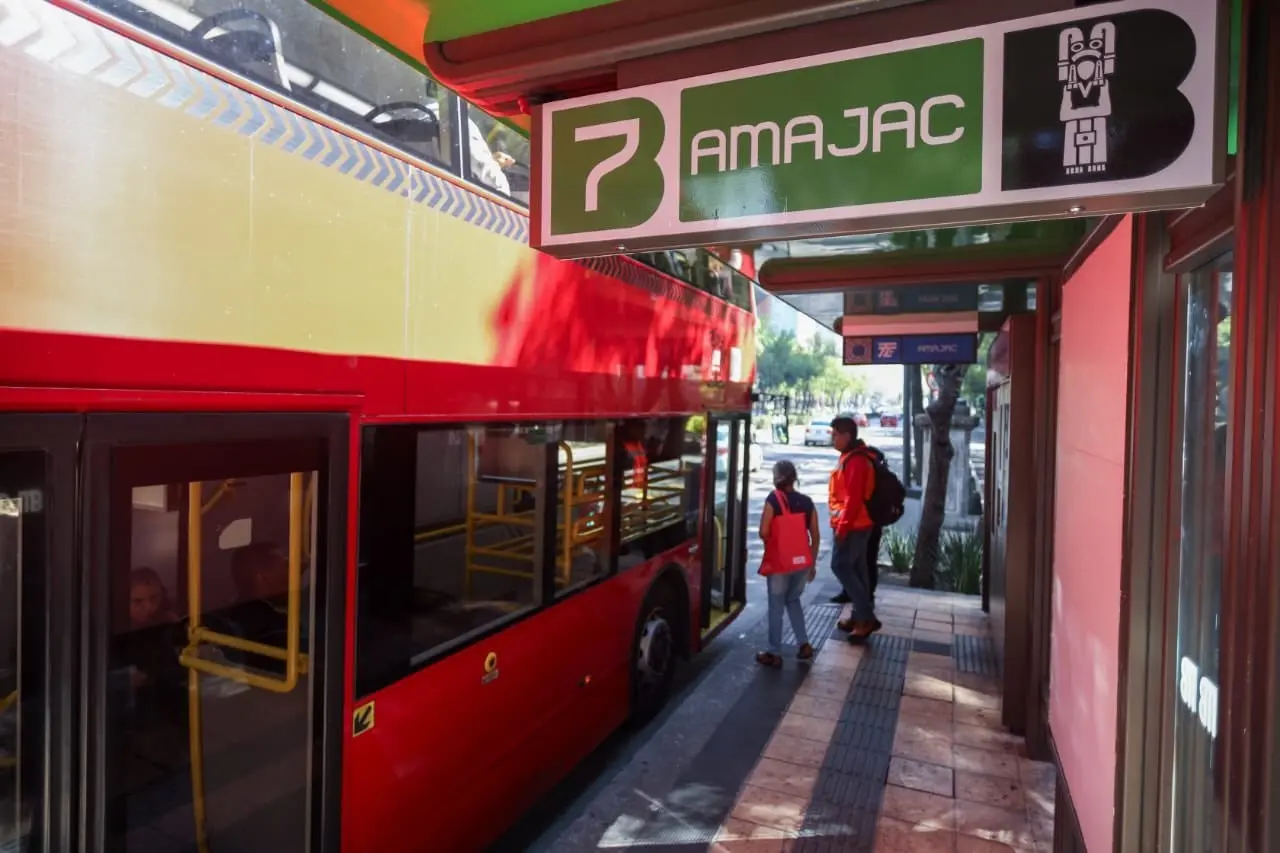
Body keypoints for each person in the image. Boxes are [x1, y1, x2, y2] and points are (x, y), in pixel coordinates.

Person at [755, 460, 819, 667]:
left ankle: (774, 652)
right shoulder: (807, 502)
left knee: (776, 607)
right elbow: (815, 536)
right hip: (802, 563)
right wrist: (812, 563)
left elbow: (764, 531)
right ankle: (804, 644)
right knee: (793, 600)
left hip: (781, 564)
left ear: (777, 477)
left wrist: (773, 542)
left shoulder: (773, 500)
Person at [828, 416, 880, 642]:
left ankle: (866, 618)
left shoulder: (856, 461)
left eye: (835, 434)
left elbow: (853, 499)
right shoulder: (851, 457)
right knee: (858, 571)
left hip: (854, 526)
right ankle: (860, 616)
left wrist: (842, 528)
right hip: (857, 524)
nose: (832, 438)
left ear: (847, 435)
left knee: (840, 566)